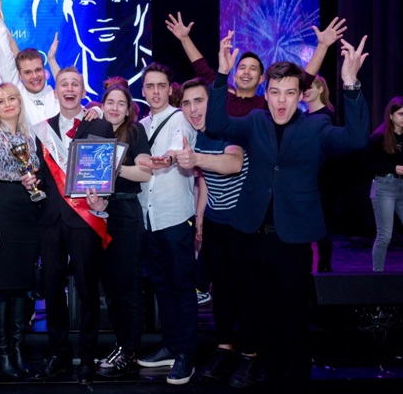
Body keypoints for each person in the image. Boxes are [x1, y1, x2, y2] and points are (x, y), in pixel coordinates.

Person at [206, 32, 369, 394]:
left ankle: (294, 383)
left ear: (300, 95)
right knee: (261, 320)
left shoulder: (317, 127)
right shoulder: (255, 122)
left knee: (294, 322)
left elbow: (356, 139)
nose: (281, 101)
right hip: (251, 238)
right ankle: (269, 377)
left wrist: (350, 83)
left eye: (290, 93)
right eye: (276, 92)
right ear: (266, 93)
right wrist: (221, 75)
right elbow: (216, 125)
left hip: (292, 242)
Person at [23, 66, 114, 385]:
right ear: (56, 91)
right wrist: (32, 182)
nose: (70, 89)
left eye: (75, 84)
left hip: (84, 218)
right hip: (50, 220)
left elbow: (105, 171)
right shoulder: (41, 129)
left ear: (82, 90)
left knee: (88, 290)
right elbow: (40, 174)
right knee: (52, 290)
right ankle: (58, 354)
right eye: (64, 84)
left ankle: (87, 357)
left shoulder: (99, 124)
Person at [174, 78, 255, 388]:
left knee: (243, 291)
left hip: (243, 224)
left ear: (213, 103)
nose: (193, 109)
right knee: (220, 289)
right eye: (186, 103)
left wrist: (196, 159)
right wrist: (200, 216)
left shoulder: (228, 129)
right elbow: (206, 179)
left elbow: (233, 163)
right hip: (216, 222)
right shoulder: (195, 135)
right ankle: (224, 348)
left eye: (199, 101)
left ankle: (250, 354)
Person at [135, 62, 198, 386]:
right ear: (143, 90)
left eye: (161, 85)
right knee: (161, 287)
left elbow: (177, 144)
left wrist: (170, 157)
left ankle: (186, 354)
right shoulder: (140, 125)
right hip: (149, 219)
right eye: (150, 86)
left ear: (170, 89)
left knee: (182, 287)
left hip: (174, 217)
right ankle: (171, 346)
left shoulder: (180, 118)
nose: (156, 91)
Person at [0, 83, 40, 380]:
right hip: (1, 211)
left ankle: (17, 350)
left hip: (27, 213)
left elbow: (34, 171)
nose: (8, 103)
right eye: (1, 101)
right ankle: (2, 354)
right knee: (3, 287)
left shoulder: (28, 136)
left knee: (22, 286)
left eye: (12, 98)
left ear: (20, 102)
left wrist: (32, 180)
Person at [87, 83, 151, 378]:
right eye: (109, 102)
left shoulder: (135, 132)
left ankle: (129, 349)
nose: (114, 108)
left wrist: (112, 167)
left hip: (125, 212)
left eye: (120, 103)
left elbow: (145, 172)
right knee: (111, 286)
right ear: (102, 106)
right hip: (98, 212)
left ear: (128, 110)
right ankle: (121, 344)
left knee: (128, 285)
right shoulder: (95, 130)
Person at [165, 12, 346, 116]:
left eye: (253, 69)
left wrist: (322, 46)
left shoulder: (265, 104)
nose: (246, 72)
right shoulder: (221, 94)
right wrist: (185, 39)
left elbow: (303, 82)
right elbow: (202, 68)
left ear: (261, 79)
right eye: (242, 68)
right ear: (234, 75)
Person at [0, 0, 101, 127]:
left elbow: (84, 108)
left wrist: (97, 111)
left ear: (44, 70)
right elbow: (3, 54)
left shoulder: (57, 96)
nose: (35, 76)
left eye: (38, 70)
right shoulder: (18, 94)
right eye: (28, 72)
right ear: (19, 75)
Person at [32, 0, 152, 100]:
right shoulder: (65, 91)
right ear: (70, 15)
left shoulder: (152, 82)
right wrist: (51, 59)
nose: (103, 17)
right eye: (86, 2)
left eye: (119, 0)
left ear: (143, 10)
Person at [365, 96, 403, 272]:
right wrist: (393, 168)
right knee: (385, 235)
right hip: (384, 187)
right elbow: (368, 164)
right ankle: (377, 275)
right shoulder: (379, 137)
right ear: (391, 115)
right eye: (401, 114)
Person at [304, 75, 338, 273]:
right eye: (304, 88)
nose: (306, 91)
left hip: (323, 179)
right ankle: (306, 268)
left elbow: (330, 151)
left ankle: (325, 267)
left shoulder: (327, 116)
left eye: (310, 87)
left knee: (322, 223)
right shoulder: (303, 117)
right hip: (305, 178)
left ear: (320, 89)